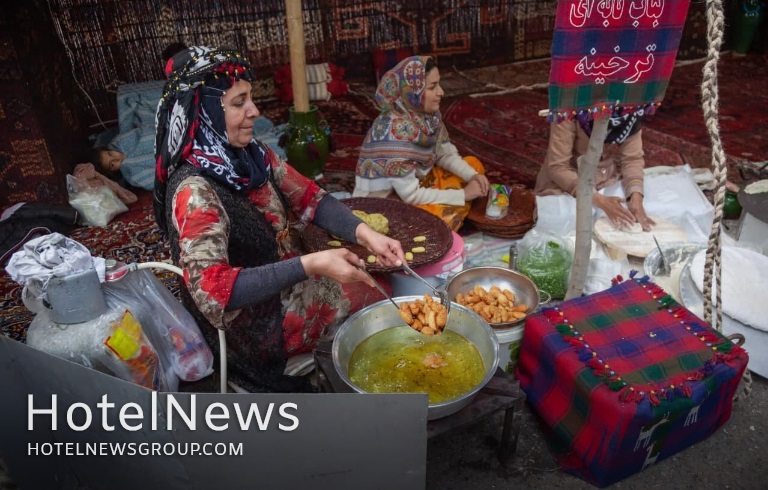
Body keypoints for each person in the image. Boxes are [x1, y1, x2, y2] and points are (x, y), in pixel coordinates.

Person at [153, 46, 405, 393]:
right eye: (239, 103)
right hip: (252, 323)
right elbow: (214, 294)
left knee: (377, 280)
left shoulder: (251, 155)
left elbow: (309, 197)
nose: (255, 111)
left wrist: (365, 235)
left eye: (251, 99)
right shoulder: (194, 193)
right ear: (206, 110)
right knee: (377, 296)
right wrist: (311, 264)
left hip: (280, 278)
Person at [353, 56, 490, 231]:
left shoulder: (427, 117)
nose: (441, 92)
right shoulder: (395, 133)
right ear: (413, 93)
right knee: (435, 224)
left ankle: (460, 202)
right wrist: (464, 194)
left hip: (417, 182)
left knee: (473, 165)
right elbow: (411, 196)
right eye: (433, 87)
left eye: (438, 84)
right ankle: (457, 209)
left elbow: (444, 154)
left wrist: (472, 176)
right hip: (387, 201)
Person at [534, 110, 655, 231]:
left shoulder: (630, 110)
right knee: (567, 224)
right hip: (566, 186)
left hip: (605, 180)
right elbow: (558, 167)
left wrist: (636, 198)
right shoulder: (569, 106)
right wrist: (600, 201)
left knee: (647, 206)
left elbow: (632, 159)